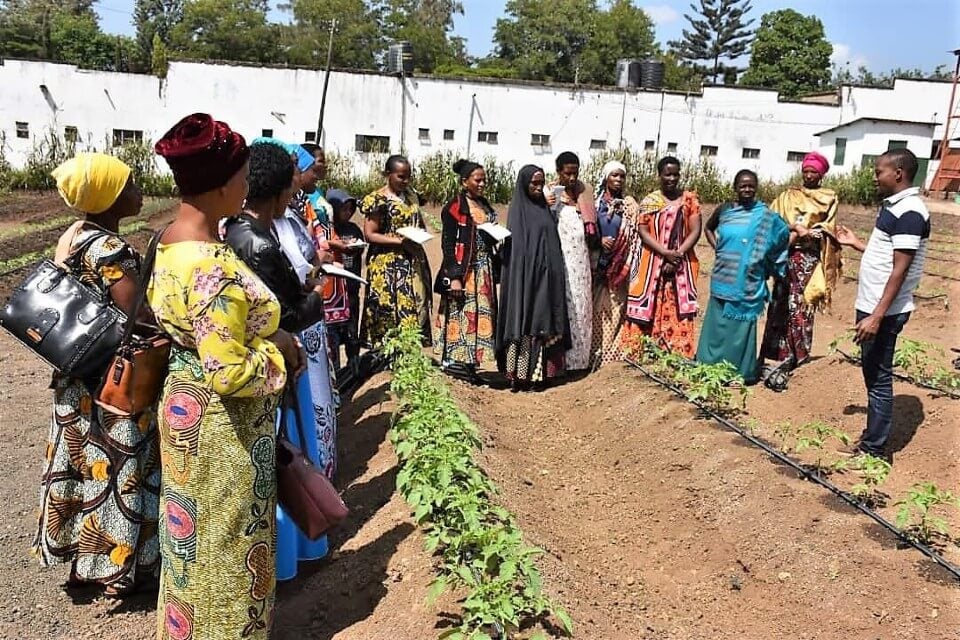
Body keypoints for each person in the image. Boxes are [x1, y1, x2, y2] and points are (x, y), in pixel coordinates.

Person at [149, 113, 305, 639]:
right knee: (226, 547)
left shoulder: (167, 242)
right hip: (223, 433)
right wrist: (279, 351)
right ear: (220, 185)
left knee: (192, 545)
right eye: (240, 175)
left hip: (185, 412)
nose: (246, 184)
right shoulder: (210, 266)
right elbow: (230, 370)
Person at [33, 153, 159, 599]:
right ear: (108, 196)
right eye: (128, 184)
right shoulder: (110, 250)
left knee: (83, 465)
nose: (138, 190)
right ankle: (117, 570)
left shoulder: (74, 237)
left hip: (76, 375)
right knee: (117, 467)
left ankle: (83, 563)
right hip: (110, 380)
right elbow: (136, 315)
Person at [222, 140, 331, 579]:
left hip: (270, 360)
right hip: (275, 363)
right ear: (282, 189)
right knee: (284, 456)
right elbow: (281, 313)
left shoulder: (237, 231)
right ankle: (288, 558)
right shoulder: (260, 244)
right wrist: (316, 299)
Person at [835, 148, 929, 459]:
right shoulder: (896, 207)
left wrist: (876, 316)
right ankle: (872, 437)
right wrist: (855, 243)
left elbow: (900, 270)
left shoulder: (911, 212)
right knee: (872, 375)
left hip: (884, 310)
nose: (875, 177)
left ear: (898, 174)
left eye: (879, 172)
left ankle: (875, 449)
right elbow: (888, 257)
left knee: (878, 379)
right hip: (875, 305)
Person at [697, 169, 789, 384]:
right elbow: (709, 228)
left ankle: (738, 372)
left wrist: (766, 262)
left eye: (751, 186)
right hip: (722, 275)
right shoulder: (726, 210)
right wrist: (717, 248)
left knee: (738, 329)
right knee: (718, 324)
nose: (747, 189)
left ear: (756, 188)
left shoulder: (765, 215)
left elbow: (782, 233)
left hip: (747, 280)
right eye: (742, 186)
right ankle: (709, 366)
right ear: (735, 188)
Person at [759, 151, 842, 391]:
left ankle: (799, 356)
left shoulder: (828, 197)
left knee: (803, 306)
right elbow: (771, 221)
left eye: (813, 172)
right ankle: (775, 353)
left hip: (808, 259)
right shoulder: (787, 196)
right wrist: (793, 228)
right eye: (806, 171)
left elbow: (830, 225)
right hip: (786, 255)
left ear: (821, 174)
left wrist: (817, 231)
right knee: (781, 304)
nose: (808, 175)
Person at [496, 165, 570, 391]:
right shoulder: (518, 213)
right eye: (534, 184)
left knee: (540, 323)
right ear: (524, 184)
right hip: (525, 281)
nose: (539, 188)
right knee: (524, 323)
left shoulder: (544, 210)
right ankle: (518, 376)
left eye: (541, 183)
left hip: (544, 280)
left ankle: (538, 376)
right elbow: (518, 253)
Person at [622, 156, 702, 359]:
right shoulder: (650, 201)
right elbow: (642, 230)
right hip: (652, 261)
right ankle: (645, 351)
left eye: (675, 174)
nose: (672, 178)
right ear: (660, 175)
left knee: (677, 305)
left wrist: (677, 255)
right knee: (649, 302)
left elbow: (695, 230)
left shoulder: (689, 200)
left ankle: (677, 351)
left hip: (681, 263)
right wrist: (665, 253)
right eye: (668, 174)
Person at [434, 159, 500, 383]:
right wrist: (454, 277)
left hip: (484, 268)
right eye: (477, 180)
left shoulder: (484, 204)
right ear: (464, 182)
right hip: (465, 270)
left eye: (484, 180)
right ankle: (455, 362)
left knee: (480, 315)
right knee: (462, 314)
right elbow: (448, 244)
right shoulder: (454, 208)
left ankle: (471, 363)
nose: (482, 184)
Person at [360, 154, 433, 346]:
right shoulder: (377, 200)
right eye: (401, 176)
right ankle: (384, 360)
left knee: (414, 309)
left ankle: (408, 355)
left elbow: (419, 223)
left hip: (412, 261)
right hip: (386, 265)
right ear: (388, 174)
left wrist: (418, 234)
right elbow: (370, 234)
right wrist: (399, 242)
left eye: (408, 176)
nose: (405, 180)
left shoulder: (411, 196)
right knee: (387, 313)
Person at [550, 151, 597, 371]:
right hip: (560, 260)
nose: (571, 178)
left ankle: (579, 361)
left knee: (581, 307)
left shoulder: (584, 193)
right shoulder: (550, 193)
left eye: (575, 173)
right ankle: (561, 362)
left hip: (581, 262)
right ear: (559, 171)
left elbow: (592, 227)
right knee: (563, 307)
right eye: (567, 173)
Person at [590, 160, 639, 366]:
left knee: (616, 309)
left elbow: (635, 234)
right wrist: (599, 241)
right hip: (597, 263)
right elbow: (588, 228)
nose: (618, 180)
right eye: (614, 176)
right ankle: (594, 354)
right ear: (606, 178)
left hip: (618, 266)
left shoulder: (629, 206)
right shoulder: (595, 204)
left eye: (621, 176)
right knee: (596, 310)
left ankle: (609, 358)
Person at [328, 188, 365, 372]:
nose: (348, 213)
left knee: (352, 333)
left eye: (350, 209)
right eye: (344, 209)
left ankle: (353, 366)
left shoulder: (354, 229)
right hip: (333, 296)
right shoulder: (328, 230)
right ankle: (335, 372)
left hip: (351, 290)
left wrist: (356, 248)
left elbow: (361, 248)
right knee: (333, 336)